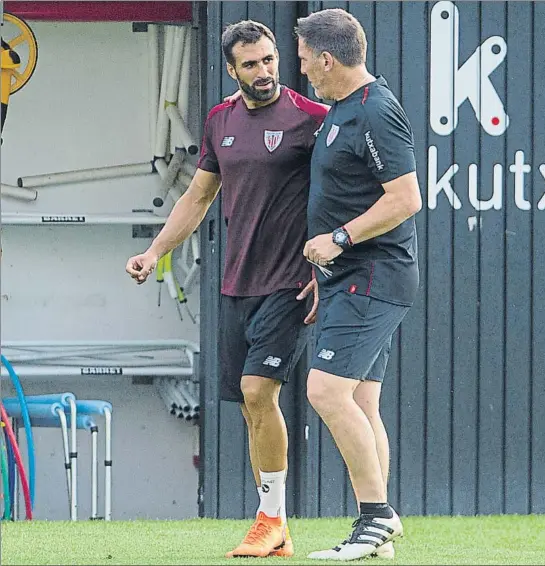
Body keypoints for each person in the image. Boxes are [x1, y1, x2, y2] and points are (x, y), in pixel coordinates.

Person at [126, 20, 328, 559]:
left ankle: (271, 519)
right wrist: (154, 253)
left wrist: (324, 269)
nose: (265, 71)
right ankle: (274, 524)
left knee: (261, 393)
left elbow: (345, 197)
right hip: (237, 283)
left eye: (270, 60)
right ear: (231, 69)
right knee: (247, 404)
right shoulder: (220, 120)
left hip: (291, 282)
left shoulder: (313, 120)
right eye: (252, 64)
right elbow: (197, 198)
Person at [294, 8, 422, 561]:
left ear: (327, 58)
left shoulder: (374, 111)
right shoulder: (343, 110)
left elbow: (406, 198)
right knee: (363, 402)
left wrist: (339, 241)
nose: (301, 71)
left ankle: (376, 516)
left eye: (303, 61)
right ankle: (376, 534)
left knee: (324, 390)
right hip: (349, 276)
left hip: (373, 273)